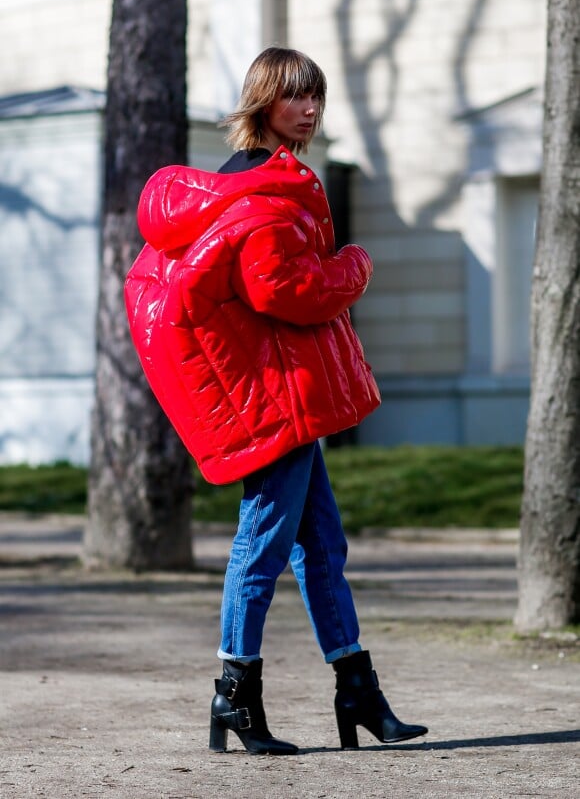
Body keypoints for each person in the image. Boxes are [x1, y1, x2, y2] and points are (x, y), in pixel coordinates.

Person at [125, 47, 428, 755]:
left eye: (316, 95)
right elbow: (280, 290)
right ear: (264, 102)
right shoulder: (265, 191)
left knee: (322, 545)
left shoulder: (239, 186)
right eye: (296, 96)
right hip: (274, 402)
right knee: (261, 546)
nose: (311, 109)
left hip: (280, 395)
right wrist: (352, 268)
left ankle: (359, 693)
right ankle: (235, 695)